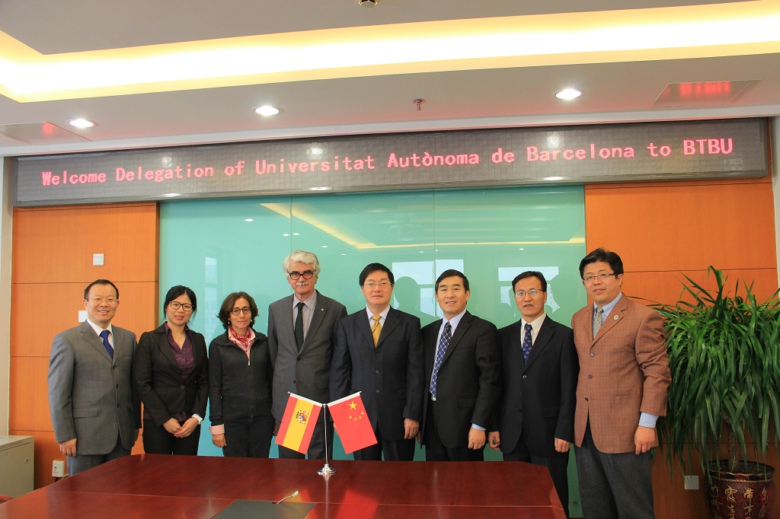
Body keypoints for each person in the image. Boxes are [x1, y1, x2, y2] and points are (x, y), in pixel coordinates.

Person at [571, 248, 671, 519]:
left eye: (603, 274)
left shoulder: (642, 317)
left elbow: (657, 372)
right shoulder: (579, 318)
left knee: (633, 509)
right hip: (585, 431)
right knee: (595, 508)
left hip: (626, 431)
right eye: (589, 277)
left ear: (619, 277)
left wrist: (647, 424)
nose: (596, 281)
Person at [488, 271, 578, 518]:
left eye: (533, 291)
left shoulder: (564, 336)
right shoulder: (502, 336)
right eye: (520, 293)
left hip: (549, 434)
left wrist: (564, 430)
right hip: (511, 433)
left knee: (553, 499)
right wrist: (494, 426)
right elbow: (496, 385)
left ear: (545, 296)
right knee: (516, 499)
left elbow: (569, 388)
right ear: (514, 297)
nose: (526, 298)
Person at [330, 263, 424, 461]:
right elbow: (339, 372)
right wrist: (340, 415)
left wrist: (412, 414)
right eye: (371, 283)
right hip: (357, 415)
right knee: (363, 476)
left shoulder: (410, 323)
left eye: (383, 283)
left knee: (400, 475)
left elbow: (415, 373)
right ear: (362, 289)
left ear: (391, 287)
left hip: (399, 416)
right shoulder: (347, 324)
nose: (377, 288)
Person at [48, 279, 140, 476]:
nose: (104, 304)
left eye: (110, 299)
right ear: (86, 303)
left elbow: (133, 387)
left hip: (122, 436)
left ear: (117, 303)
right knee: (84, 492)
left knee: (121, 491)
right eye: (98, 299)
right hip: (84, 437)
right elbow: (58, 393)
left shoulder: (128, 338)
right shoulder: (67, 340)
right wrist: (65, 435)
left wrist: (135, 426)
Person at [268, 250, 347, 459]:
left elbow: (340, 361)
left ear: (316, 276)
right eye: (295, 273)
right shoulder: (276, 309)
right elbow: (274, 356)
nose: (301, 278)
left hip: (319, 400)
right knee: (290, 468)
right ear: (288, 277)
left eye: (307, 273)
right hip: (288, 400)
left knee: (319, 466)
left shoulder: (335, 310)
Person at [420, 269, 501, 461]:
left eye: (456, 288)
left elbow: (490, 381)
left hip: (465, 425)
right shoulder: (427, 332)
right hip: (431, 425)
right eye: (443, 289)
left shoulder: (483, 330)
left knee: (466, 480)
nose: (449, 294)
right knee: (434, 478)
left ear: (467, 294)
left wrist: (479, 424)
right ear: (437, 296)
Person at [133, 285, 209, 455]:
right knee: (158, 470)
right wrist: (165, 419)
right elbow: (142, 383)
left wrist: (196, 417)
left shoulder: (198, 340)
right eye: (175, 304)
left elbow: (204, 381)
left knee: (187, 469)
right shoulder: (150, 339)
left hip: (189, 421)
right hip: (158, 420)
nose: (180, 310)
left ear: (192, 310)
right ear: (167, 306)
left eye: (186, 306)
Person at [208, 292, 274, 458]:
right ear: (228, 316)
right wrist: (217, 426)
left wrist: (276, 417)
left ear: (252, 313)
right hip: (232, 422)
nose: (242, 315)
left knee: (261, 469)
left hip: (263, 420)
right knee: (235, 471)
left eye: (246, 309)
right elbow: (214, 388)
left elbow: (272, 381)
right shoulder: (218, 346)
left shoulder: (264, 342)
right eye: (236, 310)